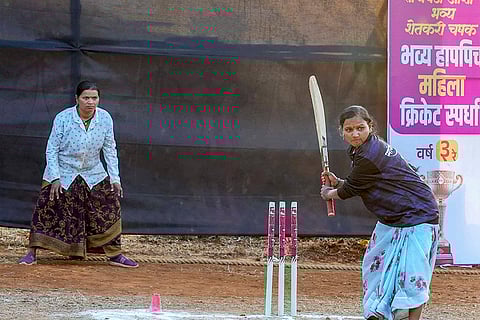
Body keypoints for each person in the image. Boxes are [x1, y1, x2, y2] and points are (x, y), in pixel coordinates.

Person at [320, 106, 439, 320]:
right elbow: (364, 182)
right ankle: (381, 310)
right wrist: (337, 184)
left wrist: (330, 193)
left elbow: (350, 190)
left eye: (360, 128)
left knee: (413, 278)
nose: (355, 133)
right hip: (393, 219)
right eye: (349, 130)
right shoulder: (362, 150)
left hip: (418, 215)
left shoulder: (370, 154)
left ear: (370, 127)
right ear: (342, 132)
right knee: (375, 265)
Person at [18, 80, 138, 268]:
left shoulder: (105, 118)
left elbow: (110, 149)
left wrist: (115, 178)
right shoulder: (63, 118)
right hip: (63, 171)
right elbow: (52, 149)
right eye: (86, 98)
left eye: (94, 98)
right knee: (46, 210)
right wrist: (55, 178)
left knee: (110, 208)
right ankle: (31, 253)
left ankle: (115, 255)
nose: (90, 102)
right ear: (77, 99)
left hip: (93, 172)